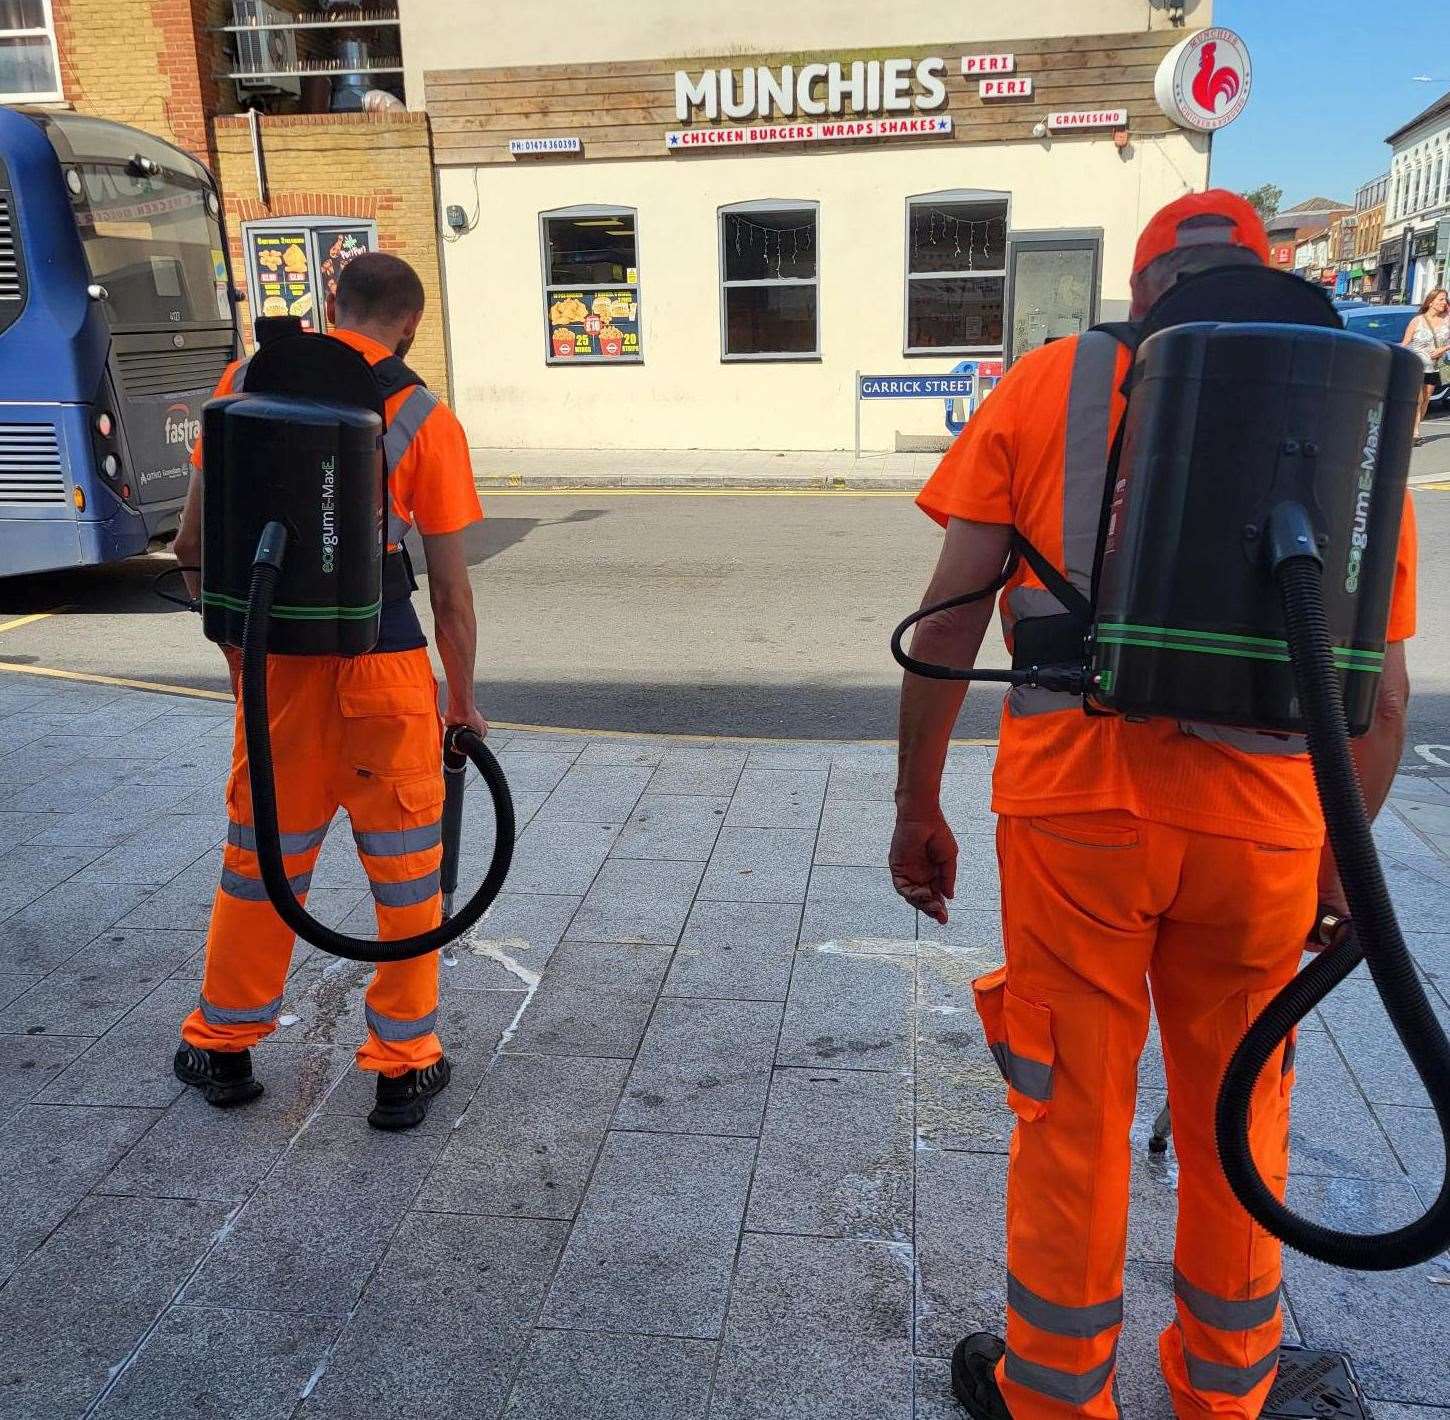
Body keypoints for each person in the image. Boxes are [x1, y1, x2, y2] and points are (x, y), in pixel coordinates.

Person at [890, 191, 1417, 1420]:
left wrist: (918, 804)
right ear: (1267, 278)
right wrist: (1339, 873)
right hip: (1266, 828)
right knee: (1239, 1113)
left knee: (1070, 1109)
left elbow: (949, 619)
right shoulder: (1344, 408)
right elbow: (1379, 698)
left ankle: (1057, 1397)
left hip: (1075, 817)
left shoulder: (1052, 383)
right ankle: (1224, 1393)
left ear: (1140, 295)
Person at [169, 252, 488, 1131]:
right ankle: (403, 1063)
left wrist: (245, 671)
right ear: (410, 324)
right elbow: (453, 594)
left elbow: (191, 546)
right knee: (408, 869)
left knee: (261, 863)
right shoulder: (424, 414)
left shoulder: (243, 381)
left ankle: (222, 1045)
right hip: (384, 665)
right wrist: (460, 703)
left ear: (329, 305)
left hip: (277, 670)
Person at [1400, 285, 1449, 445]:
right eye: (1441, 299)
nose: (1444, 302)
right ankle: (1414, 433)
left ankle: (1414, 428)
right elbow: (1405, 343)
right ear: (1430, 302)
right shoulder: (1417, 321)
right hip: (1416, 365)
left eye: (1445, 299)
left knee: (1427, 398)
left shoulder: (1446, 321)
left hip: (1434, 366)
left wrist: (1443, 348)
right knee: (1418, 399)